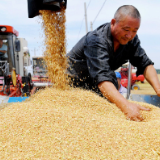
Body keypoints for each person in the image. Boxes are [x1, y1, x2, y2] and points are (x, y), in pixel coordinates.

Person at [66, 5, 160, 122]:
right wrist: (126, 106)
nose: (129, 35)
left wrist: (158, 90)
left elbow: (145, 63)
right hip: (71, 86)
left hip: (95, 88)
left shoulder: (131, 41)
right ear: (113, 22)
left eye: (134, 31)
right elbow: (102, 78)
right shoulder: (96, 40)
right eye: (126, 29)